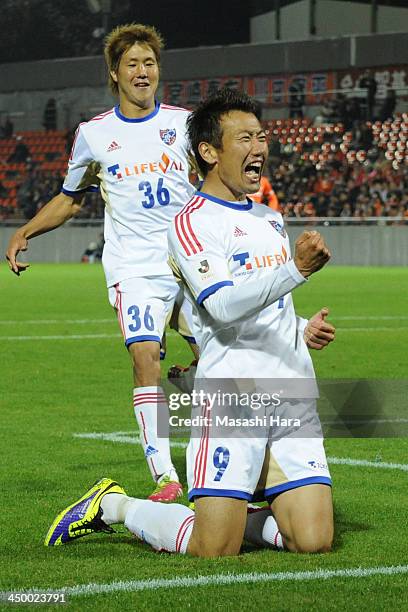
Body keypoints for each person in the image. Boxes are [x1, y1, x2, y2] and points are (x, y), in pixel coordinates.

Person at [45, 88, 335, 558]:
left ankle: (239, 512)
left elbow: (261, 301)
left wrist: (298, 326)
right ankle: (115, 506)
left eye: (261, 136)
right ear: (209, 151)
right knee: (211, 550)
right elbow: (219, 306)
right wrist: (295, 271)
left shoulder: (271, 219)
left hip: (290, 394)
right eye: (245, 138)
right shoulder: (190, 223)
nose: (260, 147)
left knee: (314, 541)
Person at [5, 23, 200, 502]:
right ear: (115, 73)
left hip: (192, 262)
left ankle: (202, 405)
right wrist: (25, 230)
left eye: (149, 63)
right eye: (132, 64)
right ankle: (165, 475)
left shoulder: (186, 124)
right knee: (145, 357)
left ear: (159, 71)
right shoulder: (94, 135)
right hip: (134, 268)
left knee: (218, 361)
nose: (142, 71)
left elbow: (215, 177)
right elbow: (71, 199)